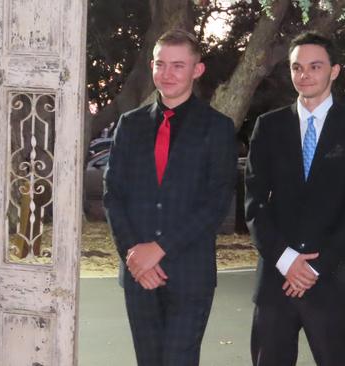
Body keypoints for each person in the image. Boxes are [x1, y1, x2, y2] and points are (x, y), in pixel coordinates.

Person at [245, 31, 345, 366]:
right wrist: (286, 260)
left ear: (334, 70)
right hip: (277, 280)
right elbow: (254, 203)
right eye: (296, 67)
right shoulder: (268, 127)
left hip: (333, 280)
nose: (304, 75)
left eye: (315, 66)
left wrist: (316, 265)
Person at [103, 29, 237, 366]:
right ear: (151, 66)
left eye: (178, 65)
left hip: (190, 274)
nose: (168, 74)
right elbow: (113, 195)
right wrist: (133, 254)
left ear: (197, 70)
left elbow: (216, 203)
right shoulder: (129, 125)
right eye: (161, 64)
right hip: (138, 274)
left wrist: (159, 249)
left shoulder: (218, 128)